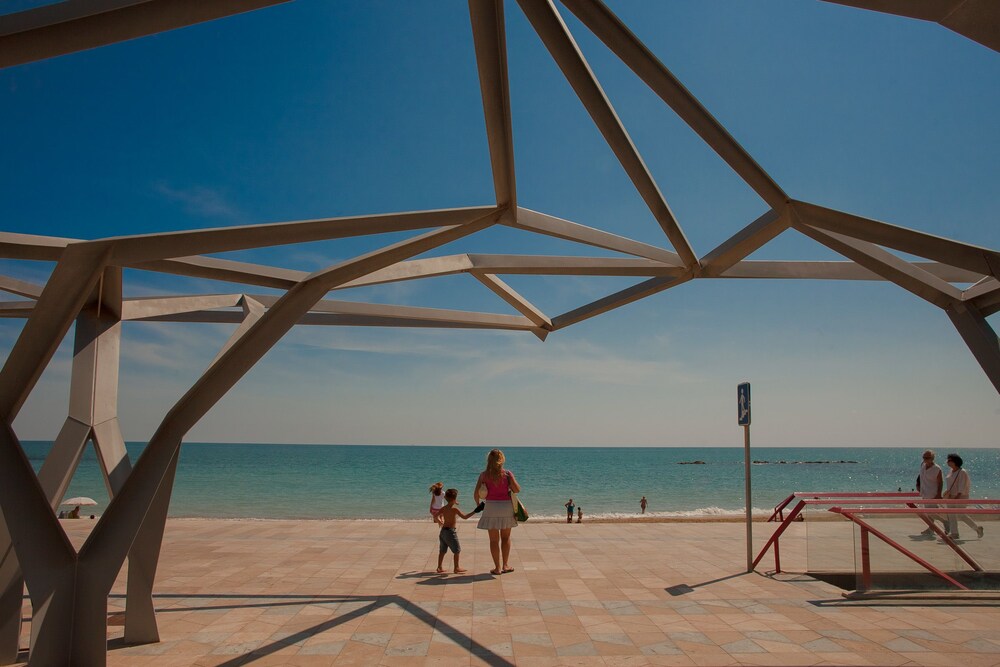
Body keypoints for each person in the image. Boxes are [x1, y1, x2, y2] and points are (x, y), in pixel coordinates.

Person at [474, 448, 520, 575]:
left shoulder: (483, 475)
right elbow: (517, 490)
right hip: (506, 507)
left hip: (491, 507)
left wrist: (478, 505)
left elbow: (476, 494)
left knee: (493, 540)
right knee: (506, 537)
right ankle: (505, 565)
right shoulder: (507, 474)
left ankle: (497, 568)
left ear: (489, 460)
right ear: (502, 460)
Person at [435, 488, 481, 574]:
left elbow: (435, 515)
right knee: (457, 550)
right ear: (454, 499)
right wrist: (475, 511)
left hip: (443, 531)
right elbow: (465, 517)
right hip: (450, 532)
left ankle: (439, 567)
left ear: (446, 498)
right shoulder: (455, 509)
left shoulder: (444, 508)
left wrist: (439, 521)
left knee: (442, 550)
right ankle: (456, 567)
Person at [943, 453, 983, 540]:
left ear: (955, 461)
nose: (948, 462)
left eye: (950, 460)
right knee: (951, 515)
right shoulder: (951, 471)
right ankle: (954, 533)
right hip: (951, 496)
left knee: (960, 515)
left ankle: (977, 528)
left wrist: (957, 497)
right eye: (948, 460)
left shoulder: (962, 472)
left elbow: (962, 486)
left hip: (961, 496)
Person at [916, 449, 943, 536]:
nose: (925, 459)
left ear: (932, 458)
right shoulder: (923, 465)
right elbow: (921, 476)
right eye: (924, 457)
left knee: (931, 512)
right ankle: (931, 528)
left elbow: (940, 482)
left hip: (932, 493)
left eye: (927, 458)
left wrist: (939, 494)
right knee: (929, 512)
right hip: (924, 492)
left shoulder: (937, 469)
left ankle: (945, 522)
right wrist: (918, 485)